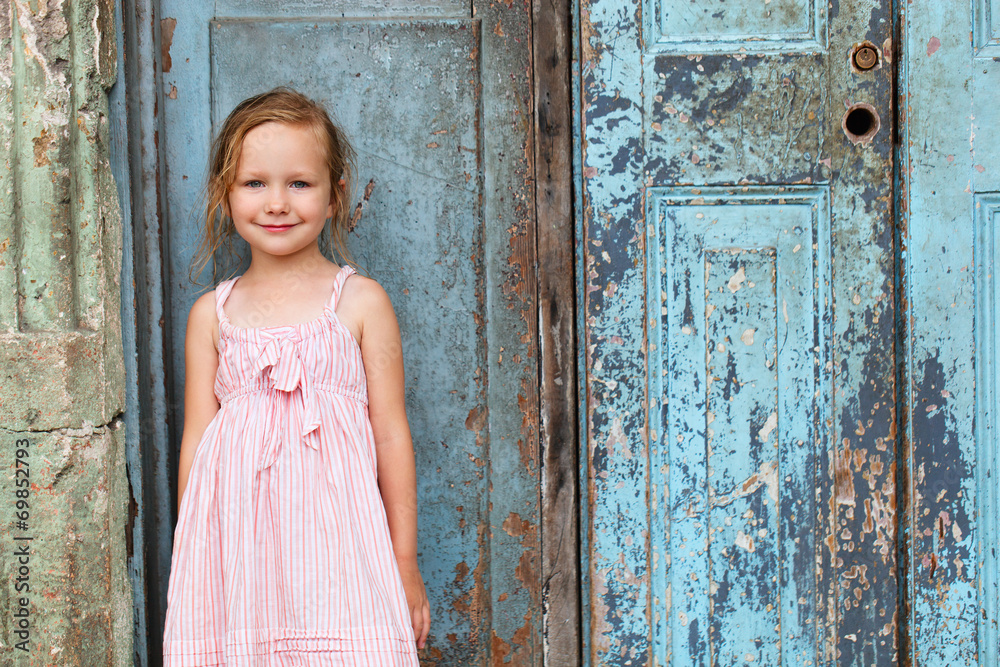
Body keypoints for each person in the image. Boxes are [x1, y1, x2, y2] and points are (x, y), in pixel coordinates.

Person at [162, 87, 429, 666]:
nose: (277, 202)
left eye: (299, 184)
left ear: (334, 198)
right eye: (255, 183)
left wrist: (404, 564)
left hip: (340, 558)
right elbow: (197, 443)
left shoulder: (359, 303)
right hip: (240, 560)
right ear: (224, 194)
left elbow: (390, 436)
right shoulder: (212, 315)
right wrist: (194, 557)